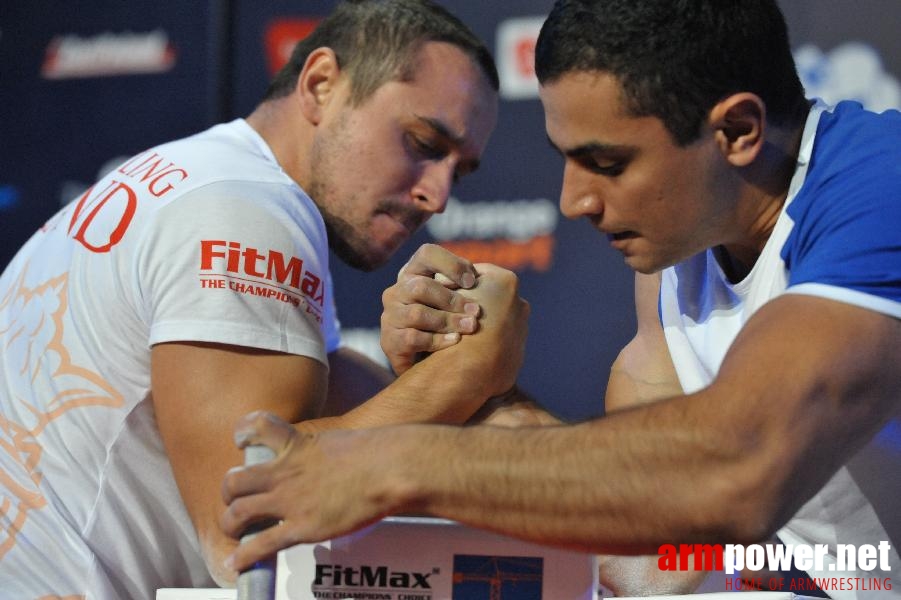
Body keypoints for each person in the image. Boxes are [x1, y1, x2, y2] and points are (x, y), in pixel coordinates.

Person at [220, 0, 901, 598]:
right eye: (566, 159)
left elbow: (737, 467)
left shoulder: (880, 189)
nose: (572, 200)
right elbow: (662, 561)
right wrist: (477, 392)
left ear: (737, 131)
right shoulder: (678, 249)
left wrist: (395, 463)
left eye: (607, 164)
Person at [0, 1, 529, 598]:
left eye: (460, 171)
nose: (438, 195)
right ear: (322, 83)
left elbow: (344, 409)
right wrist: (466, 373)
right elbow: (248, 527)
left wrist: (450, 379)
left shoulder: (207, 178)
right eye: (423, 142)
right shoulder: (244, 207)